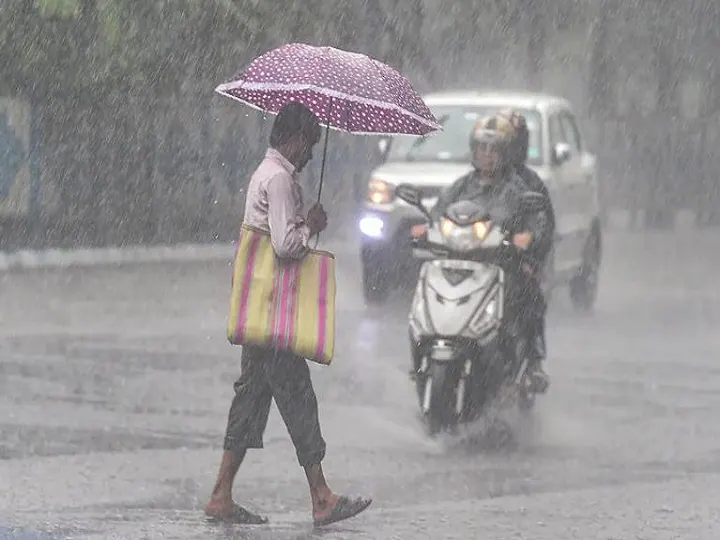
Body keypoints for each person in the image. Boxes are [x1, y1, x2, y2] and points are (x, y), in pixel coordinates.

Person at [204, 102, 372, 526]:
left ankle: (221, 495)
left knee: (251, 398)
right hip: (276, 314)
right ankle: (321, 497)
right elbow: (284, 246)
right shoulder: (279, 180)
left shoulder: (265, 173)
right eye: (309, 145)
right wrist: (310, 224)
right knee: (297, 397)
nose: (311, 155)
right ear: (294, 139)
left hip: (259, 311)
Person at [432, 114, 551, 390]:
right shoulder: (460, 186)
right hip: (459, 262)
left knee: (529, 294)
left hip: (501, 264)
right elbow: (438, 212)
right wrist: (428, 228)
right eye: (481, 148)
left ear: (506, 153)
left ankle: (532, 362)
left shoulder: (519, 190)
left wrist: (527, 237)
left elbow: (538, 222)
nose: (486, 155)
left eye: (493, 149)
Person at [497, 108, 555, 391]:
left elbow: (544, 228)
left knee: (531, 301)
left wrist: (529, 255)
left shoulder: (531, 184)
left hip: (514, 264)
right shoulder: (471, 181)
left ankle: (533, 362)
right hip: (477, 260)